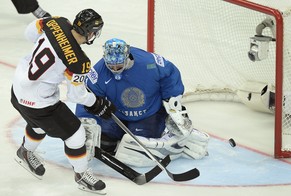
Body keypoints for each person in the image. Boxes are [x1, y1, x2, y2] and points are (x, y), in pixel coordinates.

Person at [10, 9, 115, 194]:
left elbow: (29, 33)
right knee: (76, 134)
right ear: (91, 32)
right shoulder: (79, 62)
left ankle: (25, 152)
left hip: (18, 89)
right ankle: (81, 175)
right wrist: (97, 103)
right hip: (40, 103)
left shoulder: (55, 22)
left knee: (38, 125)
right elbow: (77, 96)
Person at [76, 38, 210, 167]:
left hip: (149, 114)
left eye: (119, 65)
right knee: (103, 143)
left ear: (127, 56)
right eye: (111, 66)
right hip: (117, 116)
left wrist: (173, 104)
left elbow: (170, 74)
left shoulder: (150, 61)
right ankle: (118, 139)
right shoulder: (97, 72)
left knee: (138, 145)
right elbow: (87, 99)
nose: (115, 70)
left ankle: (174, 145)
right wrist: (87, 126)